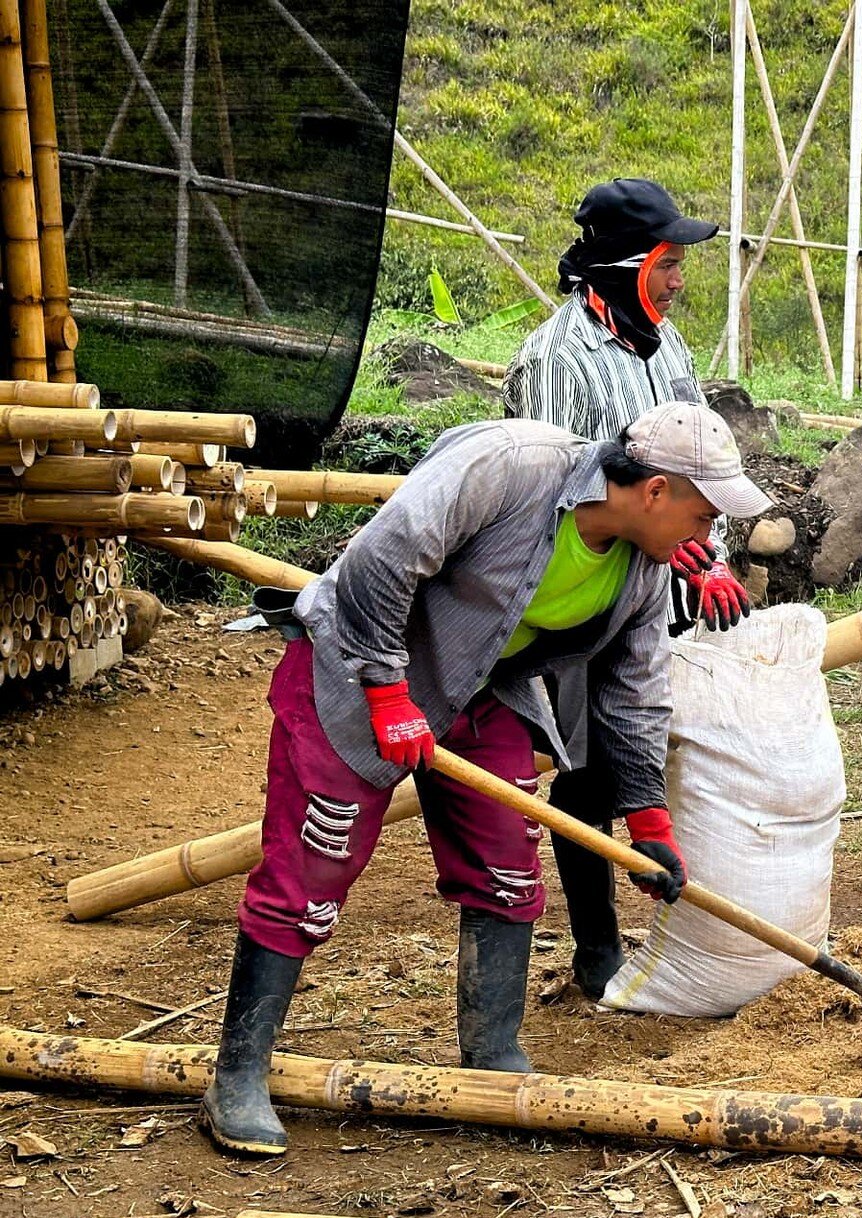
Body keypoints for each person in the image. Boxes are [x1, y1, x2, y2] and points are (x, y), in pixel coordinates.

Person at [202, 404, 773, 1157]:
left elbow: (635, 695)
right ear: (656, 490)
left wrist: (650, 824)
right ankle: (237, 1074)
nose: (705, 538)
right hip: (352, 674)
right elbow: (383, 559)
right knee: (314, 865)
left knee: (508, 862)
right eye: (702, 515)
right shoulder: (510, 467)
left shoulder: (642, 569)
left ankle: (491, 1058)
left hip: (483, 690)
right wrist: (385, 689)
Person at [506, 178, 756, 1002]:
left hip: (664, 585)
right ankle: (597, 947)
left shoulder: (668, 347)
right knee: (589, 765)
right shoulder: (554, 357)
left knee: (652, 742)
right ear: (623, 265)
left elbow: (700, 464)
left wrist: (706, 556)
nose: (681, 280)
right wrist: (658, 552)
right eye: (669, 264)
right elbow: (551, 484)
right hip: (582, 589)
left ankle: (670, 922)